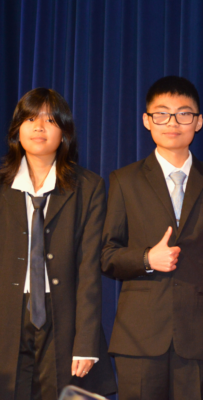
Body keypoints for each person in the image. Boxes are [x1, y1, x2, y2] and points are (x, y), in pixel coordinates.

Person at [101, 76, 203, 400]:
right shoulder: (125, 180)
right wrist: (147, 259)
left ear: (198, 121)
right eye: (161, 114)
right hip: (139, 336)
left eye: (183, 113)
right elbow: (107, 255)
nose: (172, 123)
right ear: (147, 120)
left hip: (201, 336)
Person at [0, 88, 116, 399]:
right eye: (29, 118)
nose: (39, 127)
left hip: (63, 320)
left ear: (64, 133)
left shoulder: (88, 187)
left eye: (50, 120)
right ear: (16, 131)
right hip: (7, 317)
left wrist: (86, 342)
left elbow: (90, 270)